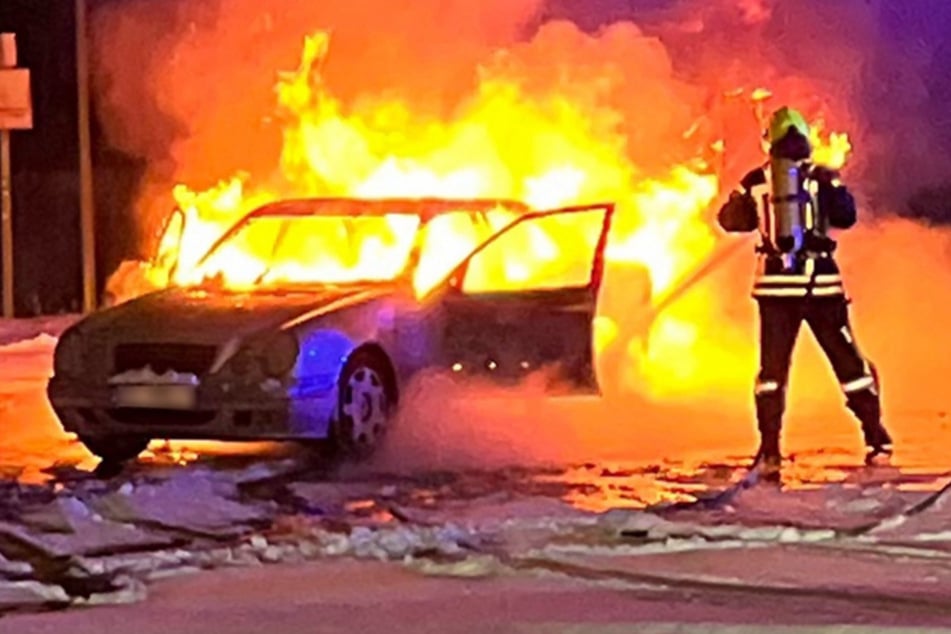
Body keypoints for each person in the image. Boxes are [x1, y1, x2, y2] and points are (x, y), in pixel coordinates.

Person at [717, 106, 893, 474]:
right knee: (848, 364)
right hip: (821, 286)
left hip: (774, 290)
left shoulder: (755, 180)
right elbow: (845, 217)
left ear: (771, 141)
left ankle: (769, 451)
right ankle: (876, 439)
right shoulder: (822, 177)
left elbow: (730, 221)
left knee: (772, 373)